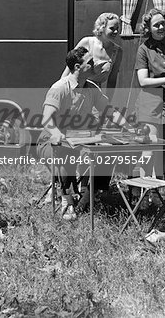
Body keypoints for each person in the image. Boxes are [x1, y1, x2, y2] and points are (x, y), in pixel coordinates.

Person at [38, 46, 133, 221]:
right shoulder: (59, 88)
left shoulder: (91, 87)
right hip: (49, 142)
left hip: (79, 142)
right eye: (90, 62)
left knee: (106, 155)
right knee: (63, 155)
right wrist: (56, 133)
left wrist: (130, 129)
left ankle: (88, 199)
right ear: (77, 67)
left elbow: (110, 111)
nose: (95, 64)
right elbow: (46, 119)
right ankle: (67, 200)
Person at [135, 8, 165, 178]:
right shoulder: (144, 49)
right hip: (149, 103)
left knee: (163, 149)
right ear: (148, 28)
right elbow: (143, 81)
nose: (161, 27)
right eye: (157, 25)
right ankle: (144, 189)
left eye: (163, 23)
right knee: (148, 148)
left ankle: (157, 194)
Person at [61, 13, 122, 92]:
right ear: (102, 28)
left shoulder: (117, 51)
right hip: (74, 89)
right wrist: (60, 89)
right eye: (112, 28)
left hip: (95, 94)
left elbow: (112, 80)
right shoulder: (87, 42)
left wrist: (107, 101)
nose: (116, 31)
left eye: (117, 28)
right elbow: (69, 68)